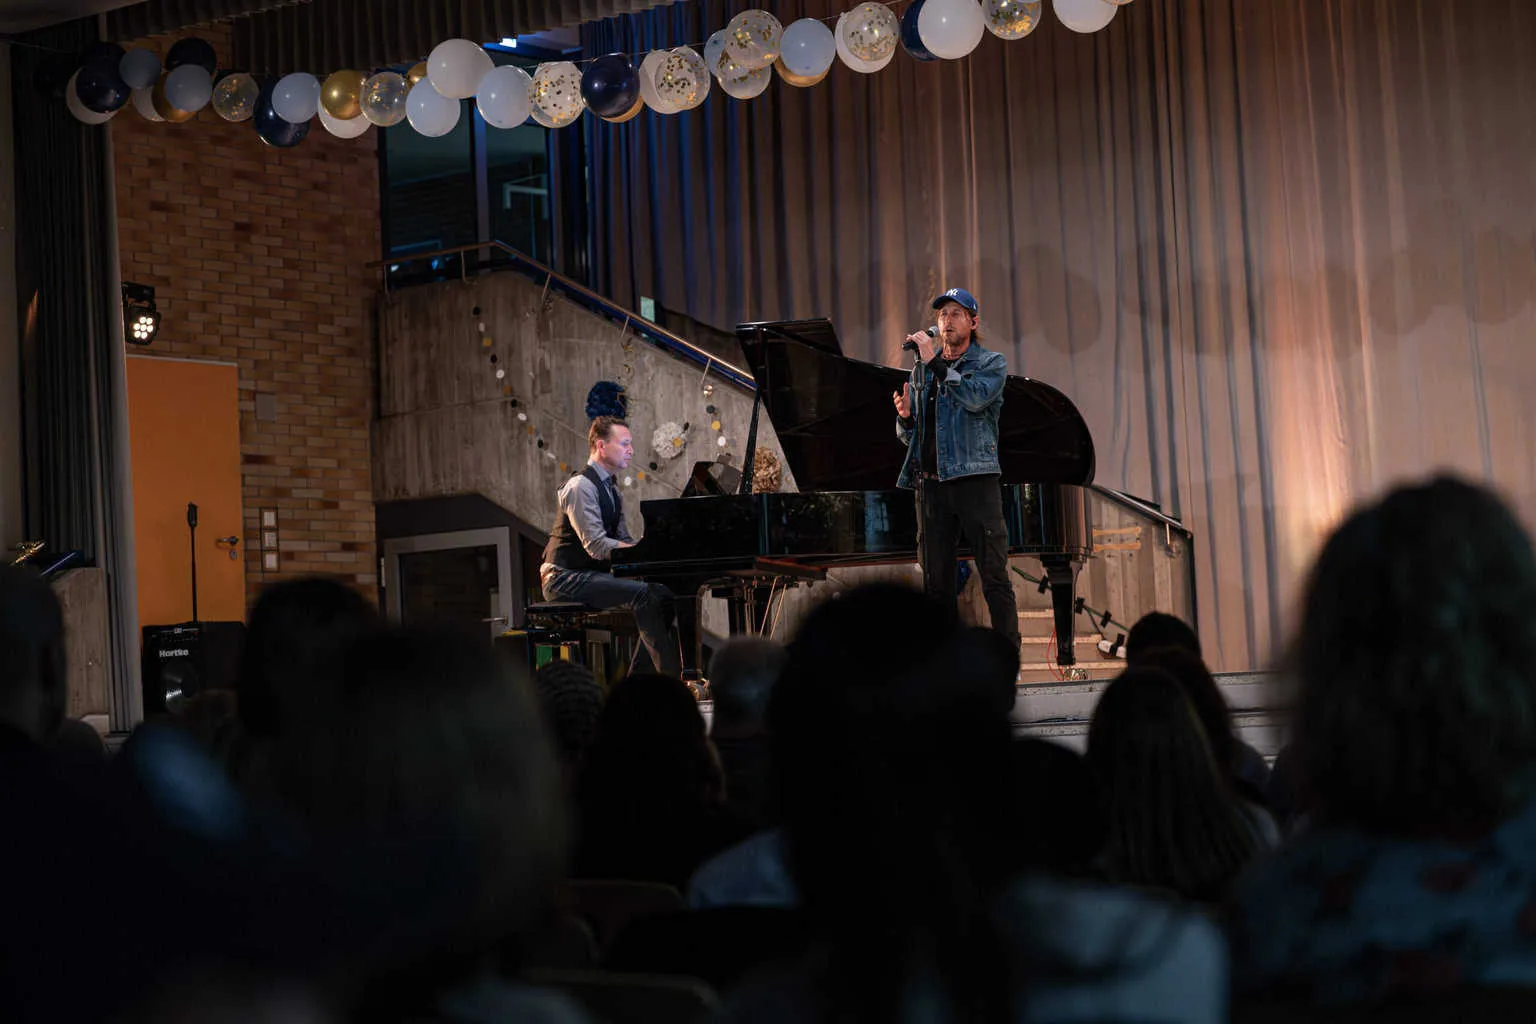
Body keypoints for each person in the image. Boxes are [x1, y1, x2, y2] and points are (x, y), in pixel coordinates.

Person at [893, 287, 1020, 655]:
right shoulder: (922, 369)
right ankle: (940, 665)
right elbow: (916, 436)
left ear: (973, 322)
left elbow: (974, 398)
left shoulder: (990, 363)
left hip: (975, 481)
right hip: (931, 486)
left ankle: (1007, 659)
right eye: (942, 314)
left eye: (955, 314)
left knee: (994, 575)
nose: (946, 321)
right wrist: (905, 421)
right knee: (936, 584)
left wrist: (934, 362)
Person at [540, 417, 681, 678]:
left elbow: (622, 539)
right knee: (644, 595)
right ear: (601, 446)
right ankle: (671, 681)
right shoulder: (580, 486)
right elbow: (596, 546)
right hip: (563, 577)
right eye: (625, 444)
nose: (631, 450)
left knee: (664, 594)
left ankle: (640, 686)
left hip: (589, 573)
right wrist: (640, 552)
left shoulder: (612, 489)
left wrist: (648, 554)